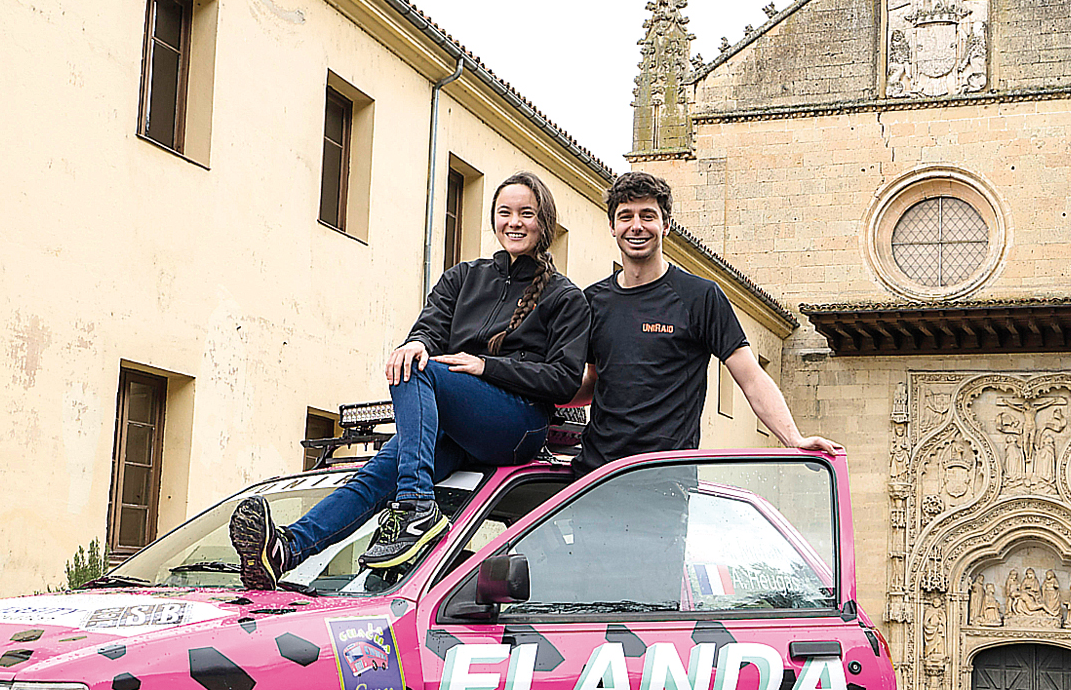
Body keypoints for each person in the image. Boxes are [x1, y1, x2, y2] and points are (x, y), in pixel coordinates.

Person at [228, 172, 589, 590]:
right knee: (381, 452)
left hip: (517, 425)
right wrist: (416, 342)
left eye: (526, 214)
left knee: (422, 370)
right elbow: (429, 329)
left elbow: (564, 380)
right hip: (458, 426)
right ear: (493, 220)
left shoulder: (565, 297)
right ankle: (287, 550)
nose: (514, 222)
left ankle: (416, 505)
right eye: (504, 212)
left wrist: (485, 366)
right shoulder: (463, 277)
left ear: (544, 222)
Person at [569, 171, 839, 471]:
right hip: (594, 476)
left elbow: (751, 377)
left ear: (666, 225)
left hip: (664, 478)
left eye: (648, 216)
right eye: (626, 216)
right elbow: (594, 380)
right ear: (612, 226)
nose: (636, 226)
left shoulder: (700, 297)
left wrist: (793, 438)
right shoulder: (593, 299)